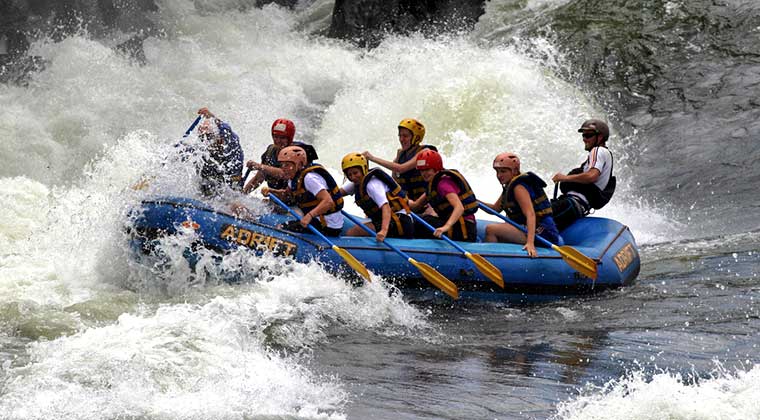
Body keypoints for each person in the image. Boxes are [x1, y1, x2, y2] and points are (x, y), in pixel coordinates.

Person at [482, 152, 562, 257]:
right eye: (497, 172)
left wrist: (530, 243)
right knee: (498, 228)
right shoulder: (510, 186)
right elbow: (495, 209)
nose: (499, 175)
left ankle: (491, 259)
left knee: (491, 229)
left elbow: (530, 214)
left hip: (543, 233)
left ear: (515, 171)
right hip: (528, 229)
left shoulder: (518, 187)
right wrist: (476, 202)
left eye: (503, 171)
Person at [263, 145, 344, 236]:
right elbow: (286, 195)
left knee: (280, 228)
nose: (283, 168)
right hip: (317, 219)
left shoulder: (309, 178)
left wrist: (309, 216)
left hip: (327, 225)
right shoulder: (293, 177)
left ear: (300, 164)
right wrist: (272, 191)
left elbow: (328, 202)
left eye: (287, 165)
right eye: (282, 165)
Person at [551, 119, 616, 231]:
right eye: (583, 135)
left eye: (588, 135)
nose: (584, 139)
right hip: (577, 207)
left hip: (571, 205)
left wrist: (563, 178)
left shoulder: (597, 151)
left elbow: (592, 176)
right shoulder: (604, 154)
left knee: (532, 212)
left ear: (600, 137)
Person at [339, 153, 414, 242]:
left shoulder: (372, 185)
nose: (353, 177)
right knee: (359, 228)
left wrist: (383, 231)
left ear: (363, 169)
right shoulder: (357, 183)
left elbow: (386, 207)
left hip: (400, 221)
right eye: (349, 175)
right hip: (388, 220)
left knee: (353, 232)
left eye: (355, 173)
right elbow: (338, 193)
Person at [408, 149, 478, 242]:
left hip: (464, 230)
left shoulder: (443, 184)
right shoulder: (433, 185)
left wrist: (445, 227)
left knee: (420, 222)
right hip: (457, 226)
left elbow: (459, 207)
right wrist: (397, 199)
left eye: (427, 169)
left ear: (436, 168)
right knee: (414, 218)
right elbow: (415, 206)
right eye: (421, 171)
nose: (424, 174)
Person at [363, 118, 437, 201]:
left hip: (426, 202)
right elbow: (394, 182)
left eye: (405, 136)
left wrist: (372, 158)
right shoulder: (400, 155)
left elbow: (401, 168)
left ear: (416, 138)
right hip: (408, 203)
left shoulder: (425, 152)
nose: (401, 139)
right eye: (400, 136)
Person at [195, 107, 244, 196]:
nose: (205, 141)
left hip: (232, 179)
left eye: (208, 137)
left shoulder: (231, 143)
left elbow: (224, 127)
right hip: (212, 178)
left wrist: (211, 116)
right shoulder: (203, 150)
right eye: (202, 138)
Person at [243, 118, 295, 193]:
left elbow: (285, 174)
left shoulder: (295, 154)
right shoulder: (270, 151)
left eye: (282, 138)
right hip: (275, 199)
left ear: (289, 138)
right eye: (275, 136)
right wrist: (243, 194)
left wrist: (260, 166)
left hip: (291, 201)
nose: (278, 140)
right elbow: (259, 178)